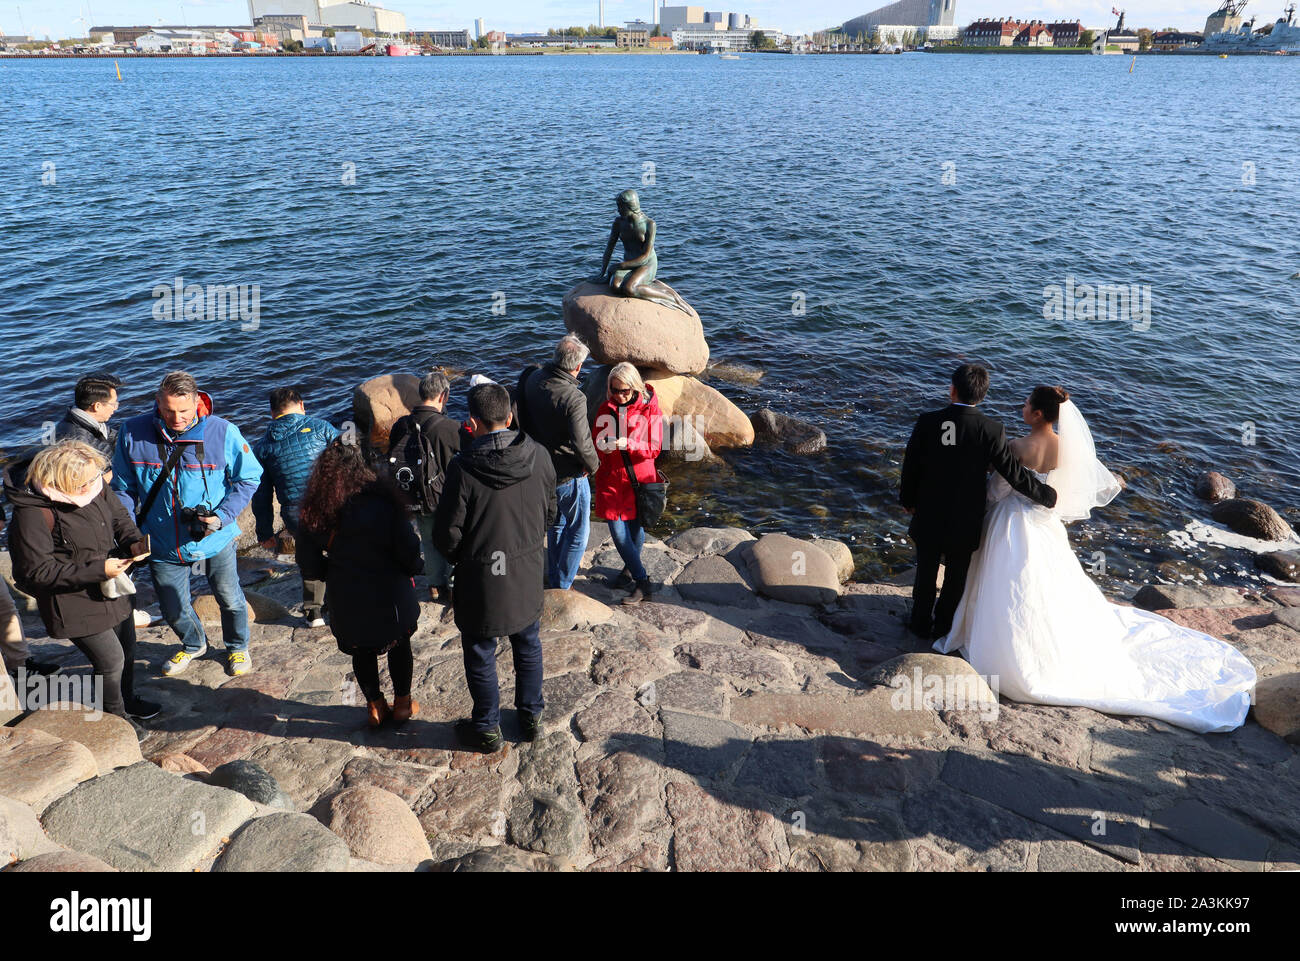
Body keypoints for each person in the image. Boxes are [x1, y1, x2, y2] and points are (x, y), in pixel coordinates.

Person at [935, 388, 1256, 733]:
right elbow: (1065, 492)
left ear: (1039, 414)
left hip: (1010, 522)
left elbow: (997, 492)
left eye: (1027, 403)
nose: (1022, 406)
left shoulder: (1015, 447)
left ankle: (991, 638)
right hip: (1045, 524)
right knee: (1042, 584)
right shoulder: (1066, 448)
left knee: (1003, 581)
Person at [112, 371, 263, 677]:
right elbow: (122, 488)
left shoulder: (223, 432)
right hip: (161, 542)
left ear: (197, 401)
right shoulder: (131, 432)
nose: (176, 418)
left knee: (230, 598)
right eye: (168, 410)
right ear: (157, 401)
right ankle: (194, 644)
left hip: (214, 538)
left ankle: (237, 647)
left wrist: (222, 515)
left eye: (183, 410)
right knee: (171, 606)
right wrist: (129, 531)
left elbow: (249, 478)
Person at [433, 383, 556, 753]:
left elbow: (447, 534)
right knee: (528, 643)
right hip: (527, 569)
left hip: (482, 577)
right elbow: (550, 513)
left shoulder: (463, 468)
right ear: (510, 414)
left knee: (481, 651)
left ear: (472, 421)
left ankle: (487, 728)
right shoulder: (540, 455)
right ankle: (531, 718)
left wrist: (464, 559)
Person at [6, 442, 159, 733]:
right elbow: (35, 572)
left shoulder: (93, 483)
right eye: (87, 481)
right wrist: (98, 569)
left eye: (95, 477)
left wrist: (133, 543)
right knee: (110, 660)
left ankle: (127, 701)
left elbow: (119, 518)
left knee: (126, 650)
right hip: (71, 601)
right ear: (63, 480)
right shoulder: (32, 513)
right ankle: (116, 722)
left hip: (112, 587)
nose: (96, 484)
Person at [900, 364, 1058, 641]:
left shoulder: (928, 421)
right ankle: (944, 626)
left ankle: (919, 622)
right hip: (967, 516)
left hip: (930, 511)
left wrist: (908, 499)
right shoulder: (992, 430)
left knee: (925, 570)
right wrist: (1044, 495)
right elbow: (1014, 473)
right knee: (956, 576)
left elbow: (911, 465)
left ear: (952, 390)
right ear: (983, 395)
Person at [297, 440, 422, 728]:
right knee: (400, 643)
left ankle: (375, 707)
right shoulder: (383, 502)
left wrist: (336, 571)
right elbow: (409, 551)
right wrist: (413, 569)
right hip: (390, 593)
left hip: (347, 596)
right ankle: (402, 704)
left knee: (361, 649)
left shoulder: (314, 512)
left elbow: (310, 565)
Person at [251, 387, 340, 627]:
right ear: (301, 405)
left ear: (272, 413)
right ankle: (342, 601)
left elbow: (261, 495)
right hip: (330, 504)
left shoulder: (263, 446)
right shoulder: (322, 428)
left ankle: (314, 612)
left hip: (295, 513)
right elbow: (350, 461)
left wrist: (265, 533)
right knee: (340, 551)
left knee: (309, 556)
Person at [517, 335, 600, 591]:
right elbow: (582, 443)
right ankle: (562, 583)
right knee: (578, 529)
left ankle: (554, 574)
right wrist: (593, 466)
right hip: (567, 474)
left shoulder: (532, 378)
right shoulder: (574, 398)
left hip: (538, 467)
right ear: (577, 367)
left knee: (556, 522)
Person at [386, 370, 463, 604]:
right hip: (446, 497)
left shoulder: (401, 425)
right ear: (444, 396)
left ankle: (434, 585)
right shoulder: (450, 428)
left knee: (428, 540)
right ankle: (452, 584)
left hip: (415, 495)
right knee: (453, 540)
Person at [591, 363, 663, 605]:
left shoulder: (650, 411)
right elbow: (596, 441)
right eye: (614, 390)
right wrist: (603, 445)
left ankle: (633, 575)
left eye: (625, 391)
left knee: (634, 530)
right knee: (618, 533)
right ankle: (641, 578)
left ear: (635, 387)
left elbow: (653, 449)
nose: (619, 395)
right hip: (611, 480)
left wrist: (627, 443)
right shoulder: (605, 408)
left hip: (639, 481)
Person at [54, 373, 123, 461]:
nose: (115, 408)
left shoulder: (91, 422)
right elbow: (91, 474)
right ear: (97, 406)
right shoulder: (77, 442)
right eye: (113, 404)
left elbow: (113, 437)